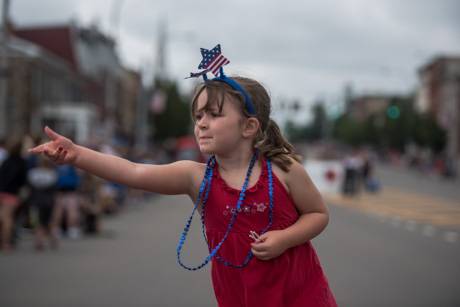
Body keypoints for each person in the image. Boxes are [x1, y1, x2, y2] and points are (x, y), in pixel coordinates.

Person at [30, 46, 337, 306]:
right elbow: (133, 171)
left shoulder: (284, 170)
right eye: (198, 116)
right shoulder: (196, 177)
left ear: (249, 127)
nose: (201, 123)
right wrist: (77, 154)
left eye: (214, 115)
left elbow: (317, 214)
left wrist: (285, 238)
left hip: (303, 296)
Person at [0, 138, 28, 251]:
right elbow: (23, 181)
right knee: (7, 218)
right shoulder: (22, 162)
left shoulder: (6, 160)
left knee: (4, 217)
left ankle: (4, 241)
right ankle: (6, 243)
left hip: (2, 191)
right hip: (12, 194)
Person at [27, 156, 59, 250]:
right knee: (49, 221)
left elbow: (29, 189)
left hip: (36, 201)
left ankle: (39, 241)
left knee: (38, 223)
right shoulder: (52, 174)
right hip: (48, 202)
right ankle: (53, 240)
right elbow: (54, 191)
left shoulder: (32, 174)